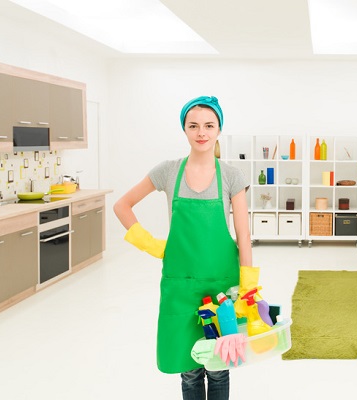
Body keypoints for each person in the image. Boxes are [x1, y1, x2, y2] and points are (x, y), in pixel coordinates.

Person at [113, 95, 251, 400]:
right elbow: (122, 205)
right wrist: (151, 245)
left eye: (208, 125)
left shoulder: (231, 175)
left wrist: (248, 285)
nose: (201, 132)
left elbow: (243, 235)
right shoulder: (168, 171)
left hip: (221, 286)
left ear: (218, 130)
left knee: (217, 365)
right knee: (188, 368)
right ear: (185, 130)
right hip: (180, 286)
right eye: (194, 125)